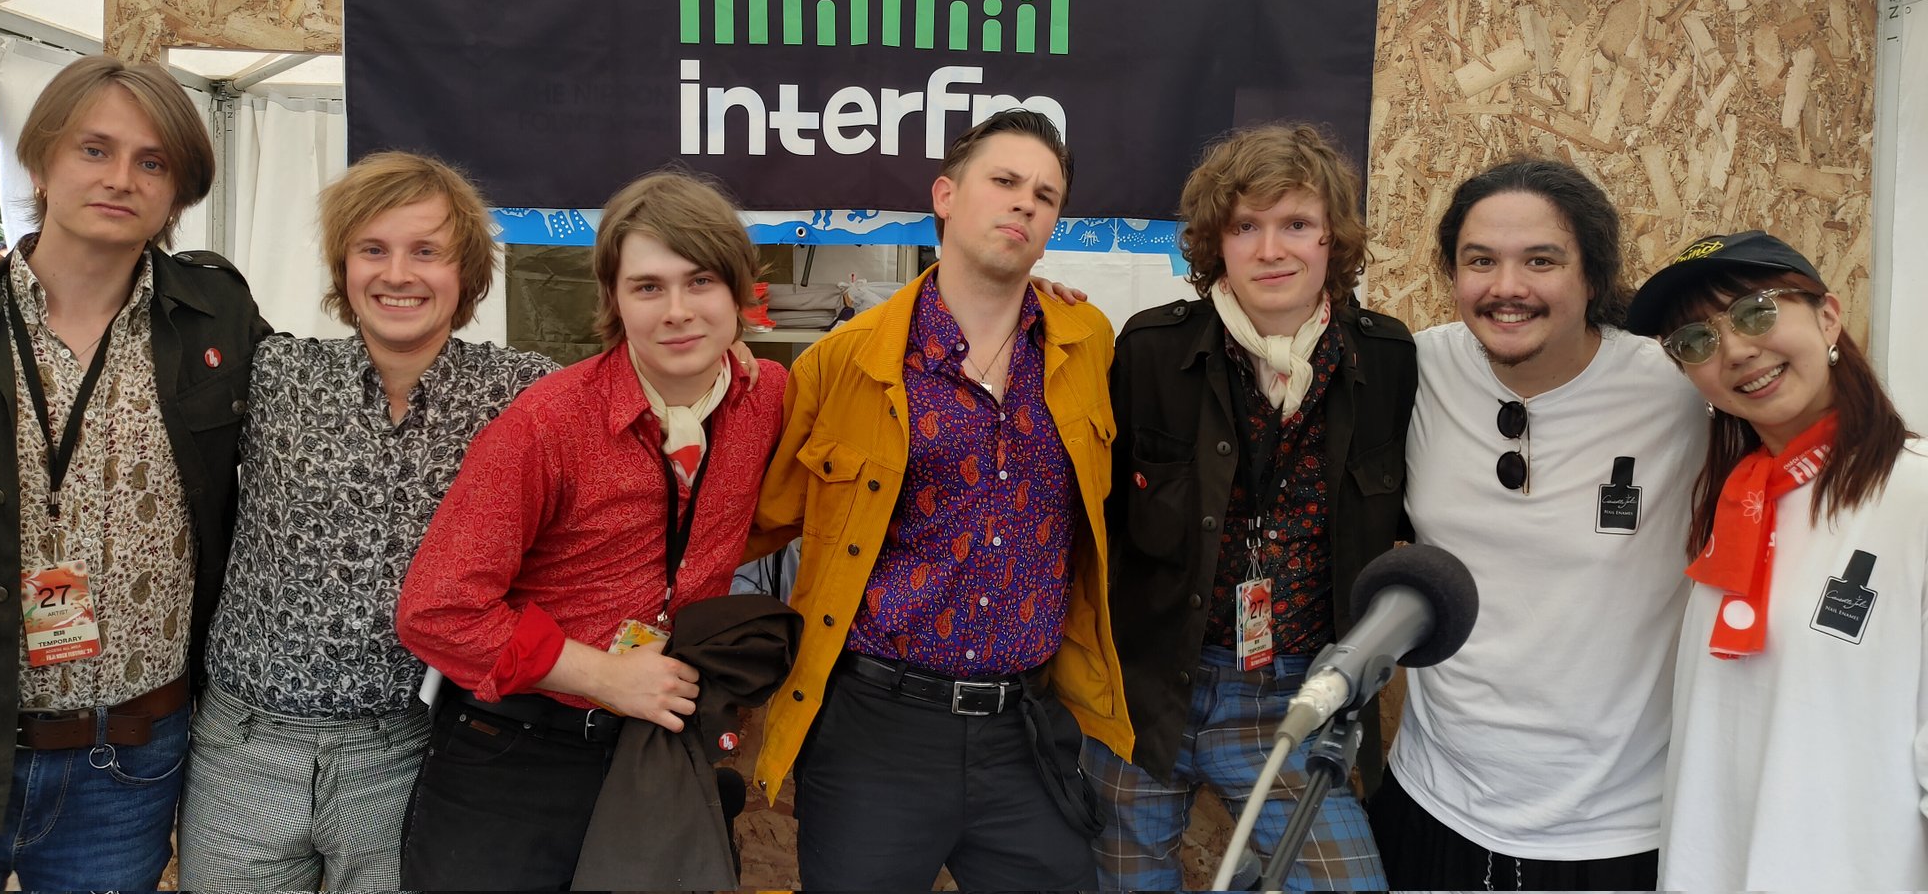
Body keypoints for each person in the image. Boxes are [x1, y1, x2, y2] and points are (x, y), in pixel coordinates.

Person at [0, 55, 265, 890]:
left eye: (152, 162)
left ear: (177, 192)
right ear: (41, 162)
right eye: (95, 149)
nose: (121, 178)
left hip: (124, 766)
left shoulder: (220, 321)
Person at [746, 109, 1132, 890]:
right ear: (946, 196)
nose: (1025, 202)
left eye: (1045, 195)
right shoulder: (844, 363)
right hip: (877, 733)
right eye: (1005, 181)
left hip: (1028, 731)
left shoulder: (1087, 341)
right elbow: (757, 521)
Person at [394, 169, 788, 890]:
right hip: (517, 755)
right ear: (613, 298)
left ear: (739, 289)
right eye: (648, 287)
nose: (677, 311)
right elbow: (435, 610)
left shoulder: (768, 401)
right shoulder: (548, 424)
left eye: (700, 282)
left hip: (653, 751)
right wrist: (603, 675)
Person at [174, 152, 556, 889]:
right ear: (343, 268)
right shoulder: (275, 372)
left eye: (427, 251)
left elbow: (639, 395)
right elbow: (132, 313)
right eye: (372, 249)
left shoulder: (523, 393)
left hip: (411, 750)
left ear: (467, 272)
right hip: (243, 748)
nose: (397, 274)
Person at [1087, 123, 1415, 891]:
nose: (1271, 250)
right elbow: (1096, 521)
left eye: (1296, 224)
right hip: (1146, 688)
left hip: (1288, 694)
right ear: (1217, 243)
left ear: (1332, 238)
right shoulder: (1151, 351)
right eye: (1245, 227)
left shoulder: (1387, 359)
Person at [1368, 157, 1708, 891]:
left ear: (1593, 276)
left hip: (1613, 829)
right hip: (1433, 800)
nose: (1507, 287)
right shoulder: (1417, 369)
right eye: (1480, 261)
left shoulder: (1679, 389)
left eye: (1541, 261)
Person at [1625, 231, 1928, 890]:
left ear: (1829, 317)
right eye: (1695, 341)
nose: (1735, 350)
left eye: (1755, 312)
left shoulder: (1916, 497)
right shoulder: (1734, 500)